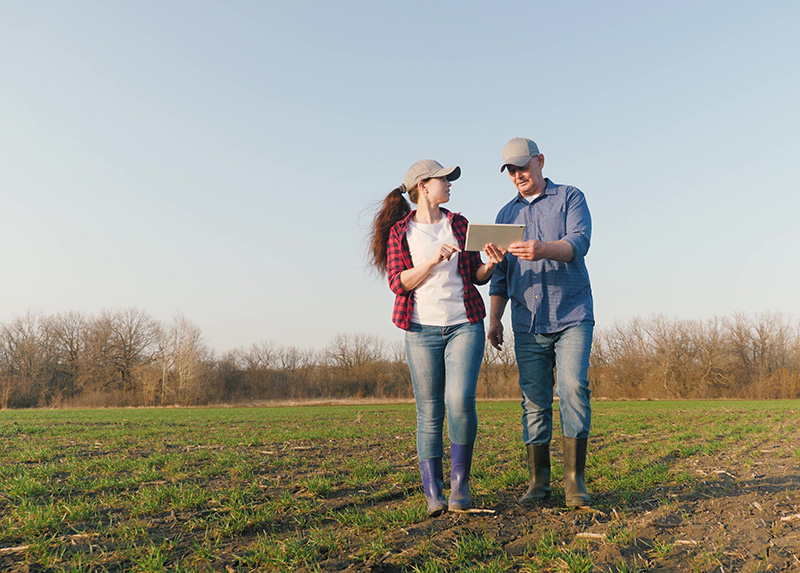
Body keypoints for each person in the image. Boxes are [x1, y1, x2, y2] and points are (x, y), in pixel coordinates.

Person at [369, 159, 504, 516]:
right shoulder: (401, 232)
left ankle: (460, 485)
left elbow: (476, 275)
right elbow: (398, 283)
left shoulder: (459, 224)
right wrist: (430, 261)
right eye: (443, 179)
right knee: (429, 412)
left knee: (460, 400)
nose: (449, 184)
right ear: (423, 187)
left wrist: (491, 264)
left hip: (465, 323)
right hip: (420, 329)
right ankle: (433, 493)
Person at [488, 138, 594, 507]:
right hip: (527, 322)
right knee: (533, 402)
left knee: (571, 389)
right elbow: (500, 275)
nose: (518, 175)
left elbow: (578, 243)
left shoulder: (570, 197)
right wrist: (494, 319)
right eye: (511, 171)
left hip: (571, 315)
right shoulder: (505, 215)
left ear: (540, 161)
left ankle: (574, 482)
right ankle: (538, 483)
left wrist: (543, 248)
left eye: (523, 167)